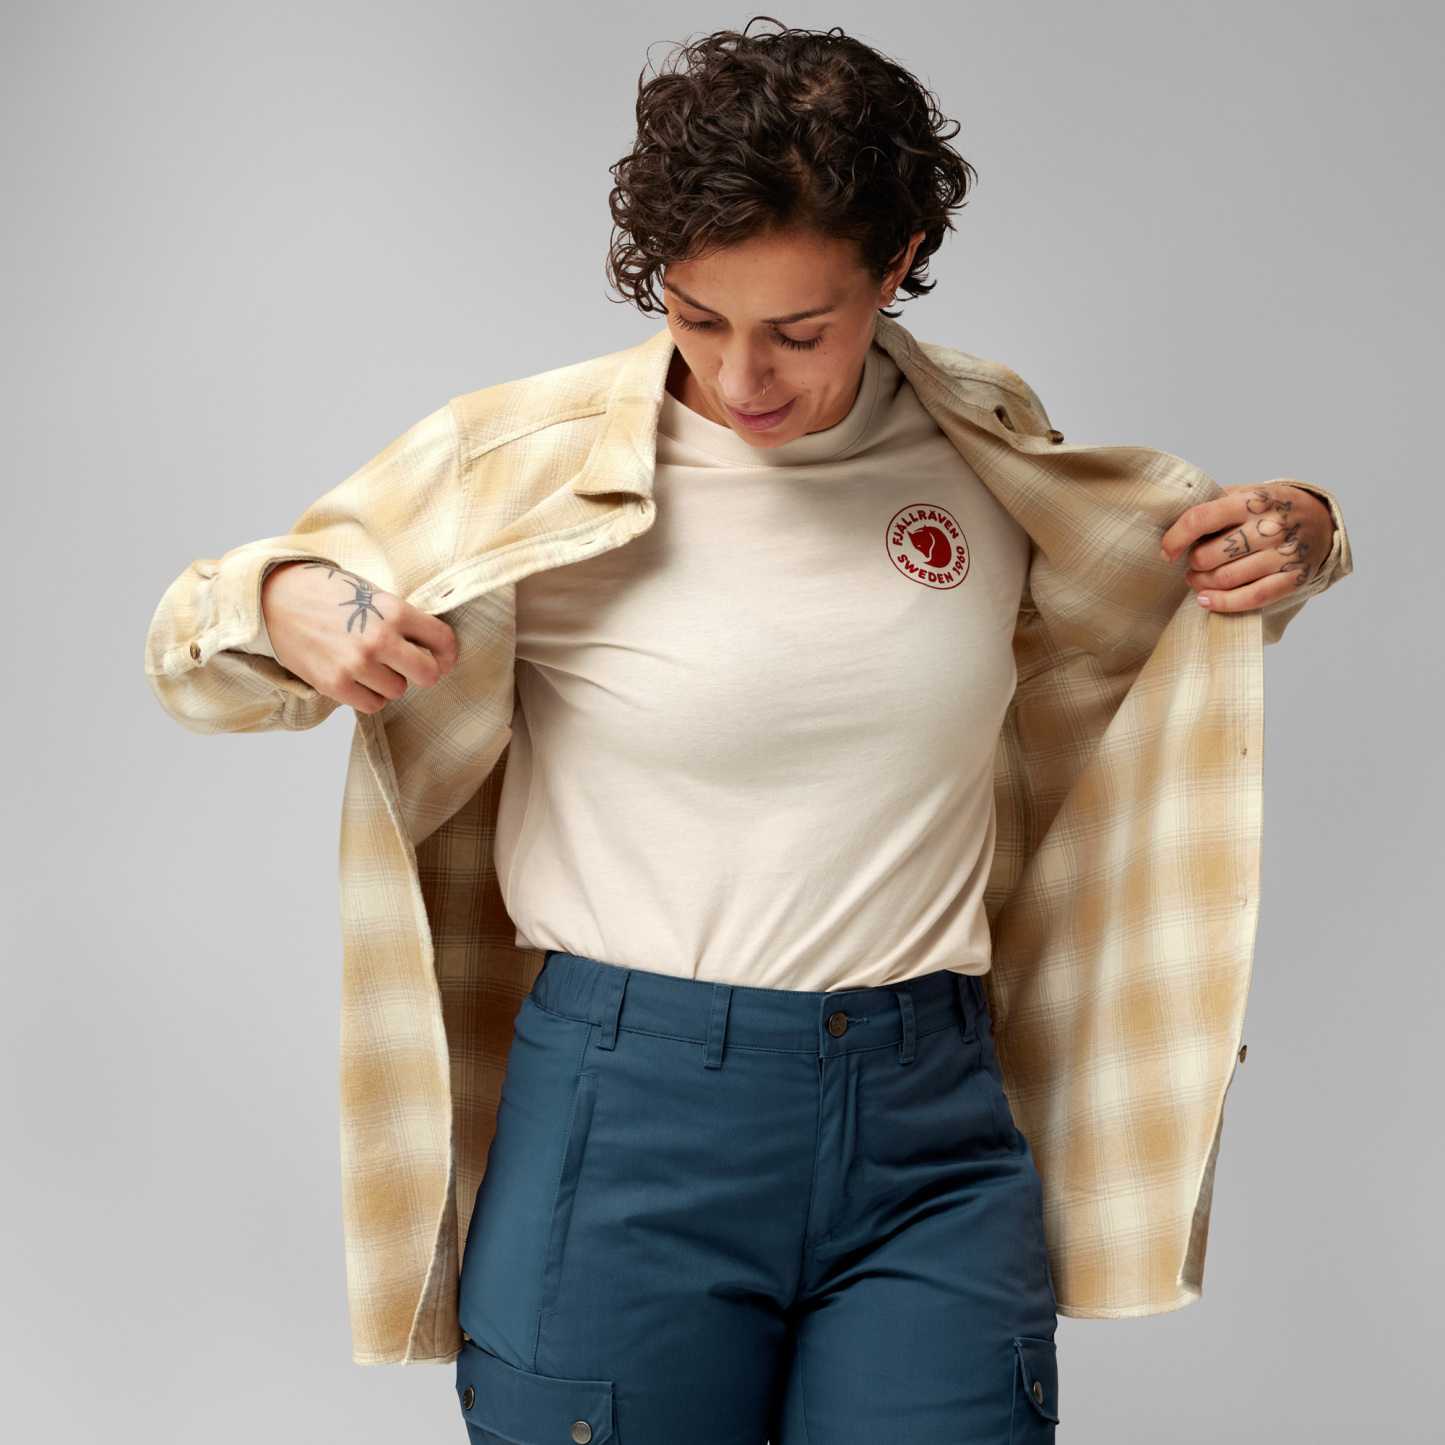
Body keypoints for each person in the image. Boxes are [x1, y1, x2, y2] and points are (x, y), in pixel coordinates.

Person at [143, 20, 1351, 1445]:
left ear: (897, 265)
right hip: (626, 1113)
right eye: (696, 316)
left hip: (930, 1116)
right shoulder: (522, 463)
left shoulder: (982, 441)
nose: (740, 378)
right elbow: (194, 654)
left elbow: (1164, 603)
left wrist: (1303, 533)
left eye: (798, 331)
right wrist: (282, 597)